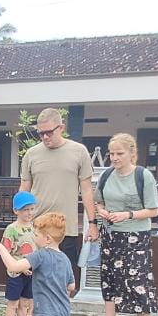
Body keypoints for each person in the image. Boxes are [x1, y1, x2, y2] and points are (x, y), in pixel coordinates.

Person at [89, 133, 158, 316]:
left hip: (136, 236)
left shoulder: (143, 175)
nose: (114, 158)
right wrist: (102, 212)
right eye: (111, 153)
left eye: (119, 153)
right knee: (109, 278)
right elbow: (98, 201)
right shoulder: (107, 175)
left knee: (139, 281)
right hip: (110, 234)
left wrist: (127, 215)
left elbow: (154, 210)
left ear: (132, 153)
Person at [19, 108, 99, 270]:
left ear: (61, 128)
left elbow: (86, 190)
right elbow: (24, 190)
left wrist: (92, 223)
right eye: (41, 133)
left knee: (65, 278)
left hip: (65, 230)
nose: (45, 137)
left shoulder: (79, 151)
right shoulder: (31, 154)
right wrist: (21, 222)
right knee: (34, 277)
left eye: (49, 132)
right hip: (37, 228)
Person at [1, 191, 38, 316]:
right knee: (13, 304)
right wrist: (21, 267)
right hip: (15, 273)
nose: (29, 213)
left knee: (25, 303)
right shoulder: (11, 229)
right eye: (25, 210)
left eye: (31, 209)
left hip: (31, 271)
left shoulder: (35, 227)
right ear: (16, 211)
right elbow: (5, 253)